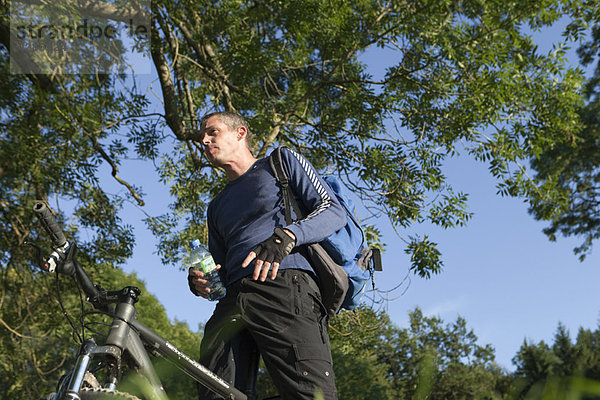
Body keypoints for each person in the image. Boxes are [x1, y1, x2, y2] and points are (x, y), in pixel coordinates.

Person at [188, 111, 346, 400]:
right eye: (201, 137)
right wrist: (203, 282)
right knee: (215, 393)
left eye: (212, 132)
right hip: (232, 301)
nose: (205, 140)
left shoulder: (280, 163)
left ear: (240, 132)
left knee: (309, 393)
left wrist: (287, 236)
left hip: (285, 286)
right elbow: (219, 271)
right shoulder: (216, 206)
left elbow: (334, 212)